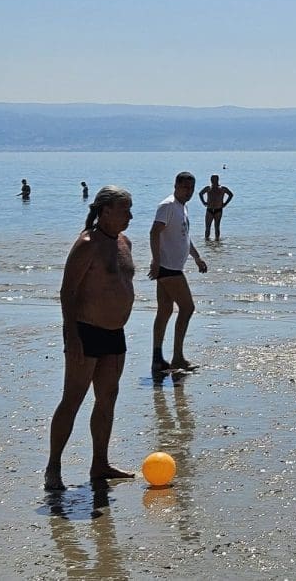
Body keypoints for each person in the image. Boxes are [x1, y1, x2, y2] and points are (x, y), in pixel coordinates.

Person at [45, 186, 137, 491]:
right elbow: (67, 291)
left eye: (130, 209)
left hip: (115, 333)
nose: (130, 216)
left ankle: (100, 463)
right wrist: (71, 337)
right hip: (86, 331)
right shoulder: (87, 244)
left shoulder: (124, 242)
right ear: (105, 211)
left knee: (107, 399)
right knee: (73, 399)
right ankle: (53, 468)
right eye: (124, 210)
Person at [149, 172, 208, 374]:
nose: (188, 192)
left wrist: (197, 257)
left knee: (165, 311)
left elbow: (184, 237)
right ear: (176, 186)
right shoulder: (167, 206)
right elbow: (154, 232)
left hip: (174, 267)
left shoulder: (182, 207)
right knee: (187, 308)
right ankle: (178, 357)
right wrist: (156, 261)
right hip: (168, 268)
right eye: (184, 188)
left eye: (191, 188)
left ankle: (157, 359)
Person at [198, 174, 235, 241]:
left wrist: (225, 203)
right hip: (209, 209)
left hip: (218, 209)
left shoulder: (222, 188)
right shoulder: (208, 188)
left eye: (214, 179)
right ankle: (207, 242)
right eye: (212, 179)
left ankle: (217, 241)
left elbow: (231, 194)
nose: (212, 180)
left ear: (217, 179)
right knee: (207, 227)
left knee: (217, 227)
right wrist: (203, 202)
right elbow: (200, 193)